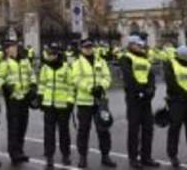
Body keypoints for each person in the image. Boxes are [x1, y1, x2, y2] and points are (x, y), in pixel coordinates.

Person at [72, 39, 116, 168]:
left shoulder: (101, 61)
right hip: (84, 102)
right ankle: (83, 157)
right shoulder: (77, 63)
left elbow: (107, 77)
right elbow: (76, 79)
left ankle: (105, 156)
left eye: (90, 47)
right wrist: (90, 88)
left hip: (99, 102)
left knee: (103, 129)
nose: (88, 49)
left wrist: (102, 87)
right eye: (86, 47)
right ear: (81, 48)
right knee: (84, 130)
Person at [121, 36, 159, 169]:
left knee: (148, 128)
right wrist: (141, 91)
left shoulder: (145, 58)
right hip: (134, 97)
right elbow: (129, 78)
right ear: (131, 45)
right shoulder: (126, 58)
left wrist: (151, 90)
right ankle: (133, 159)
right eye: (138, 45)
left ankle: (146, 157)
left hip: (146, 98)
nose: (140, 47)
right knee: (134, 129)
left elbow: (151, 76)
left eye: (141, 45)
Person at [38, 43, 74, 169]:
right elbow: (42, 84)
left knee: (64, 132)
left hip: (63, 105)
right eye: (49, 54)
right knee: (49, 133)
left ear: (57, 55)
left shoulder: (66, 68)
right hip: (49, 105)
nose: (50, 56)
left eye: (52, 54)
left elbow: (71, 86)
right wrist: (40, 98)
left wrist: (70, 101)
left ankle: (66, 155)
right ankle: (49, 157)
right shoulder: (45, 68)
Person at [0, 39, 33, 164]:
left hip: (24, 97)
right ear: (7, 50)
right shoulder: (5, 63)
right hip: (13, 99)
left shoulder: (24, 60)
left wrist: (33, 87)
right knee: (14, 127)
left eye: (15, 46)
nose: (14, 49)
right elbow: (0, 78)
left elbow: (31, 74)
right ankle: (14, 153)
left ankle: (20, 150)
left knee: (23, 125)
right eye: (11, 47)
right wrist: (5, 88)